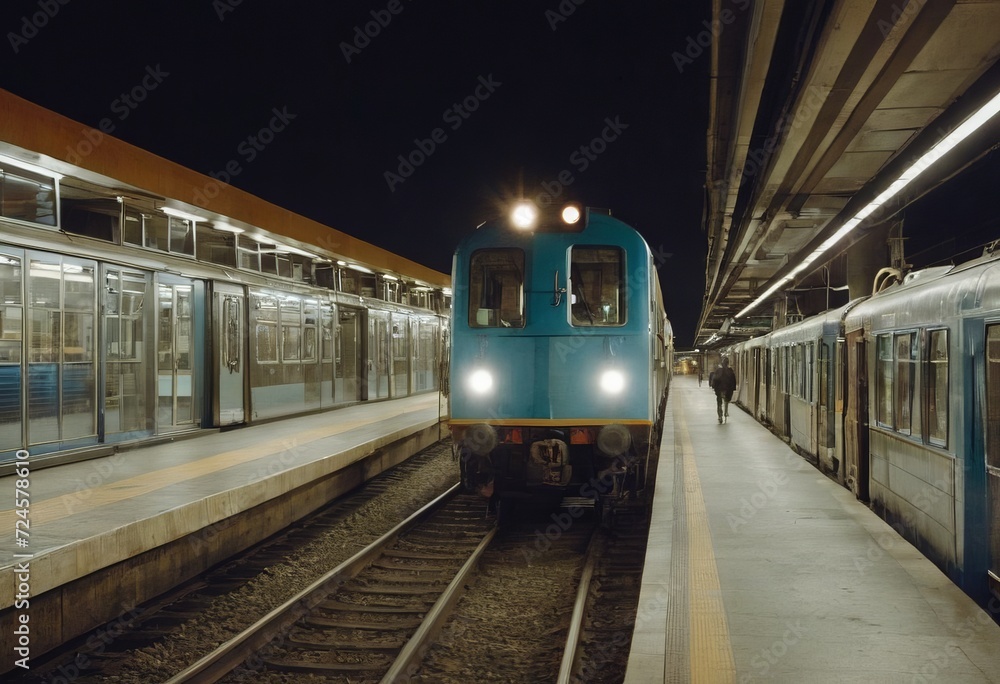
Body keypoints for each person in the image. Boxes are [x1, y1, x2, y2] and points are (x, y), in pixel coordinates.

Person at [710, 357, 737, 423]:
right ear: (727, 363)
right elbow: (733, 381)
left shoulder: (718, 371)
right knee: (726, 400)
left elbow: (714, 379)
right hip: (727, 390)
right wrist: (733, 388)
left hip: (719, 390)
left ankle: (720, 416)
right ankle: (726, 412)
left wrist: (713, 387)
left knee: (719, 403)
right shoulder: (730, 371)